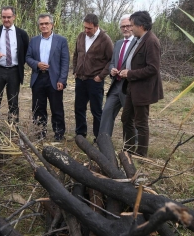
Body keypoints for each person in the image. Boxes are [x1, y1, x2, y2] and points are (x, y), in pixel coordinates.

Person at [119, 11, 163, 157]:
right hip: (133, 87)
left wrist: (130, 73)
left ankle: (141, 154)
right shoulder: (140, 39)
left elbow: (153, 68)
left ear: (141, 25)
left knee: (141, 123)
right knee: (126, 118)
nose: (130, 28)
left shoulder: (151, 41)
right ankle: (129, 149)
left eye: (132, 25)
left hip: (143, 89)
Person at [26, 14, 70, 141]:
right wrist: (37, 64)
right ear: (39, 25)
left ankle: (59, 134)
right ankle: (40, 133)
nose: (44, 26)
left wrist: (62, 80)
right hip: (38, 78)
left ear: (52, 24)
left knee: (56, 108)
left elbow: (65, 61)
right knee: (38, 107)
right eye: (41, 24)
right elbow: (28, 57)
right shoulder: (34, 40)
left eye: (46, 23)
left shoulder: (61, 40)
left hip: (54, 79)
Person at [73, 13, 113, 141]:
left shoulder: (105, 39)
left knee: (96, 110)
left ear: (96, 26)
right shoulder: (81, 36)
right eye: (85, 27)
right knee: (79, 108)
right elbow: (76, 55)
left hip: (94, 81)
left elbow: (111, 60)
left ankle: (99, 137)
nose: (86, 30)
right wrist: (75, 70)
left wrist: (100, 76)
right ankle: (80, 134)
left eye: (89, 28)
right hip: (80, 79)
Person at [0, 6, 29, 125]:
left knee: (13, 100)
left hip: (14, 71)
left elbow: (25, 53)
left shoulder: (22, 34)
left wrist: (18, 65)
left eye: (9, 17)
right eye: (4, 17)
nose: (6, 20)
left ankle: (13, 126)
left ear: (14, 17)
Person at [99, 14, 136, 137]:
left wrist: (129, 73)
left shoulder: (138, 43)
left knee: (130, 117)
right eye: (123, 27)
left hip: (130, 86)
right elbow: (112, 62)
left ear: (133, 26)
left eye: (128, 26)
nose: (125, 29)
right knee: (107, 112)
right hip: (116, 84)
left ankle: (133, 145)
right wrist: (112, 70)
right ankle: (104, 140)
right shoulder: (118, 43)